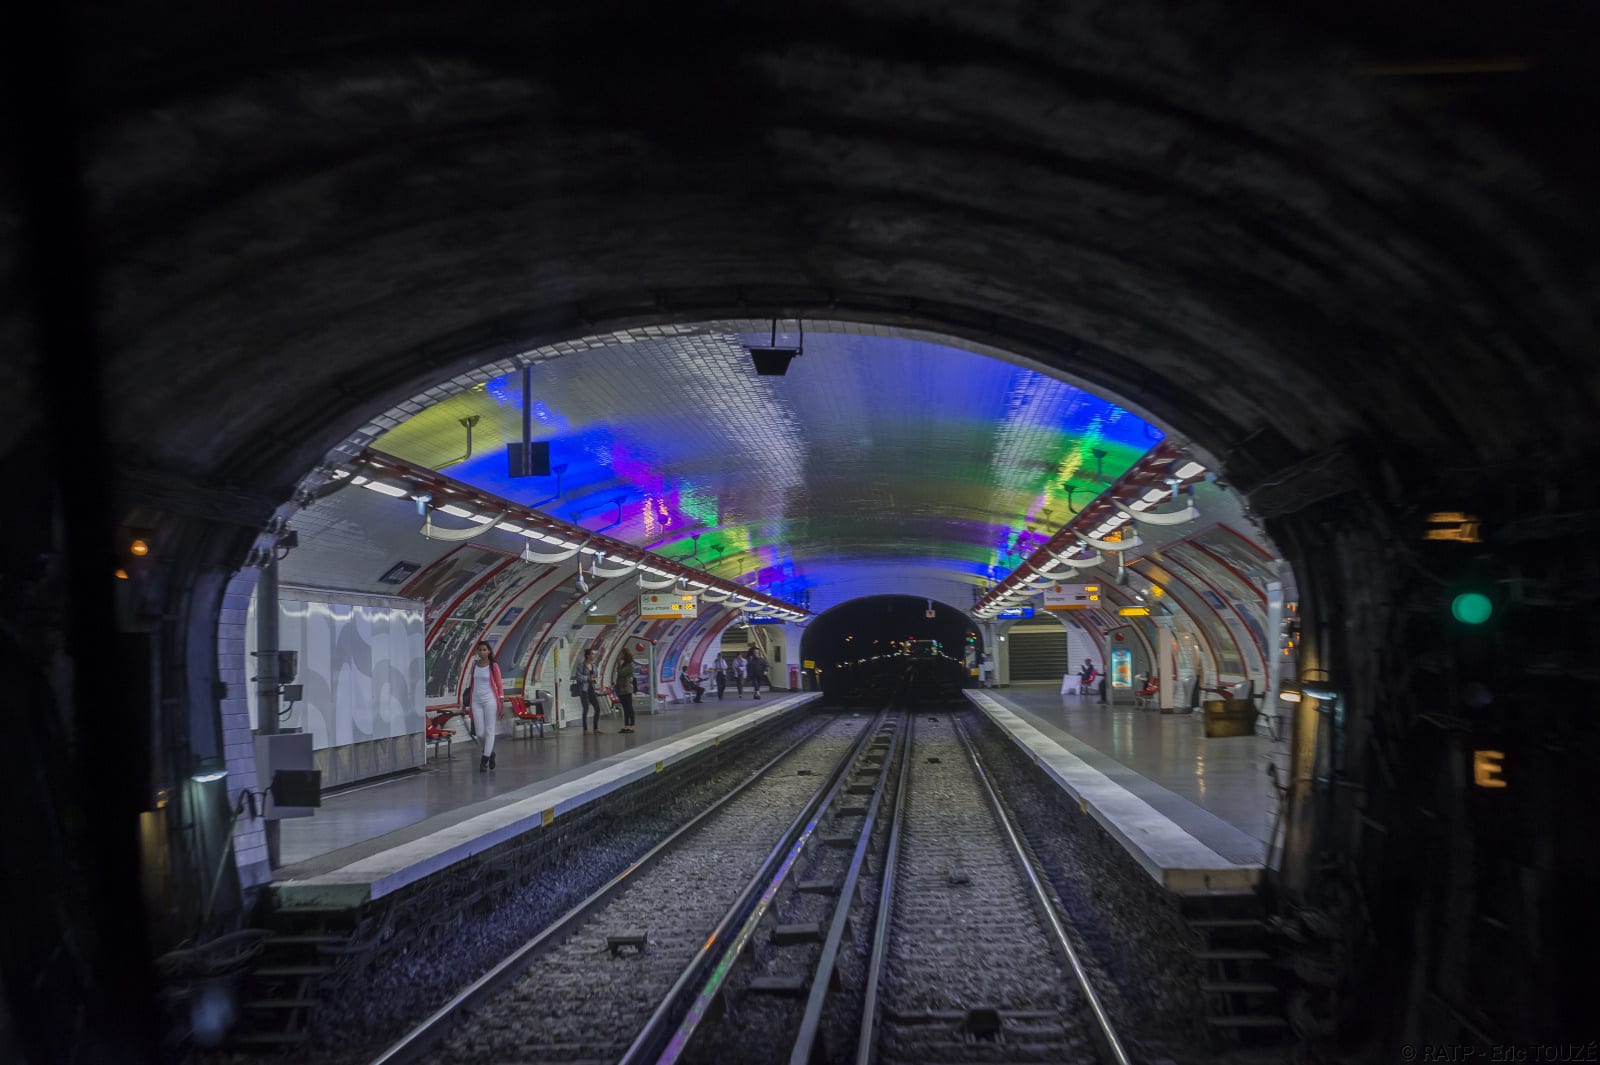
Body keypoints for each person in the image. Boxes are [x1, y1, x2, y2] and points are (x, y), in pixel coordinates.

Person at [463, 641, 504, 772]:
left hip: (490, 700)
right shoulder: (474, 665)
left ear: (489, 652)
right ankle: (491, 753)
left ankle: (484, 759)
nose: (482, 652)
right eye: (479, 650)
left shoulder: (493, 666)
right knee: (479, 733)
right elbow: (471, 683)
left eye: (484, 650)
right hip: (476, 701)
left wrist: (501, 701)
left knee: (489, 730)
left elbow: (499, 684)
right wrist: (466, 703)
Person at [573, 648, 603, 733]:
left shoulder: (593, 666)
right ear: (587, 655)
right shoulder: (581, 666)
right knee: (585, 708)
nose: (593, 656)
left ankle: (595, 728)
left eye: (594, 654)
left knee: (597, 708)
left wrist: (594, 678)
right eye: (592, 654)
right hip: (583, 689)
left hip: (591, 689)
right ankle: (585, 729)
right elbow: (578, 677)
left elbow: (596, 675)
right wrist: (587, 678)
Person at [613, 647, 638, 732]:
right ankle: (626, 725)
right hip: (621, 689)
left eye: (621, 654)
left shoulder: (629, 665)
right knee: (625, 708)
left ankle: (632, 725)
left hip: (626, 689)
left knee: (629, 707)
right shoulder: (624, 664)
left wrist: (618, 663)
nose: (620, 656)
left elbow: (621, 673)